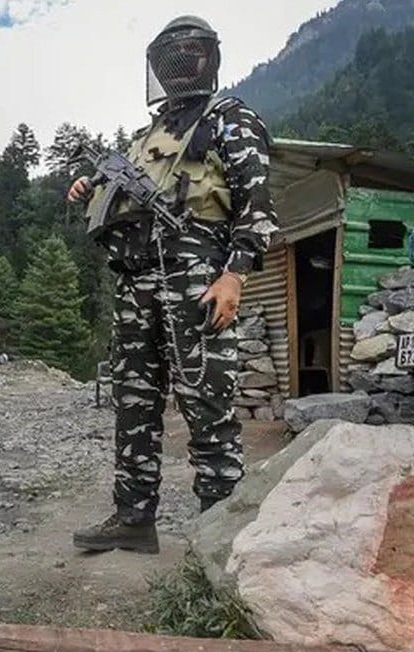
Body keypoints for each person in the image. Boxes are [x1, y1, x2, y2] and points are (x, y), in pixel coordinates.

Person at [67, 15, 279, 554]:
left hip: (195, 275)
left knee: (206, 402)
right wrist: (90, 186)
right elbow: (123, 194)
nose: (179, 65)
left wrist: (234, 274)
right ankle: (134, 519)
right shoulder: (148, 137)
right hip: (135, 279)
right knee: (133, 402)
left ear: (208, 59)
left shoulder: (229, 119)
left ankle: (221, 538)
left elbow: (257, 208)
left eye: (189, 54)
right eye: (170, 57)